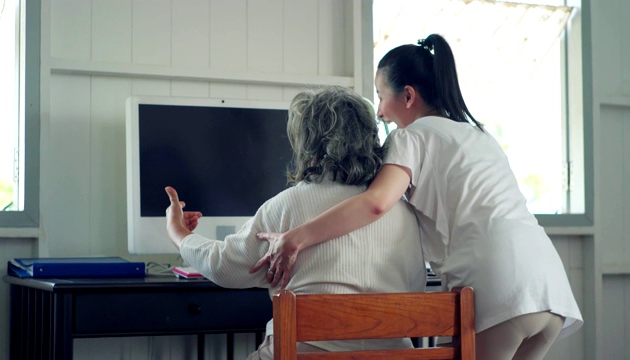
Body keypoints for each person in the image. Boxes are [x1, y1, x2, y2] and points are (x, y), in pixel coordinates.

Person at [251, 34, 583, 360]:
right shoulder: (479, 134)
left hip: (501, 287)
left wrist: (295, 239)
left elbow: (376, 202)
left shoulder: (410, 136)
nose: (379, 112)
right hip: (548, 285)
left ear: (408, 96)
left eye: (381, 96)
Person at [164, 86, 427, 359]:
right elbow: (415, 287)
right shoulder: (404, 211)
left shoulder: (286, 206)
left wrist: (178, 233)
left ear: (308, 141)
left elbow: (224, 266)